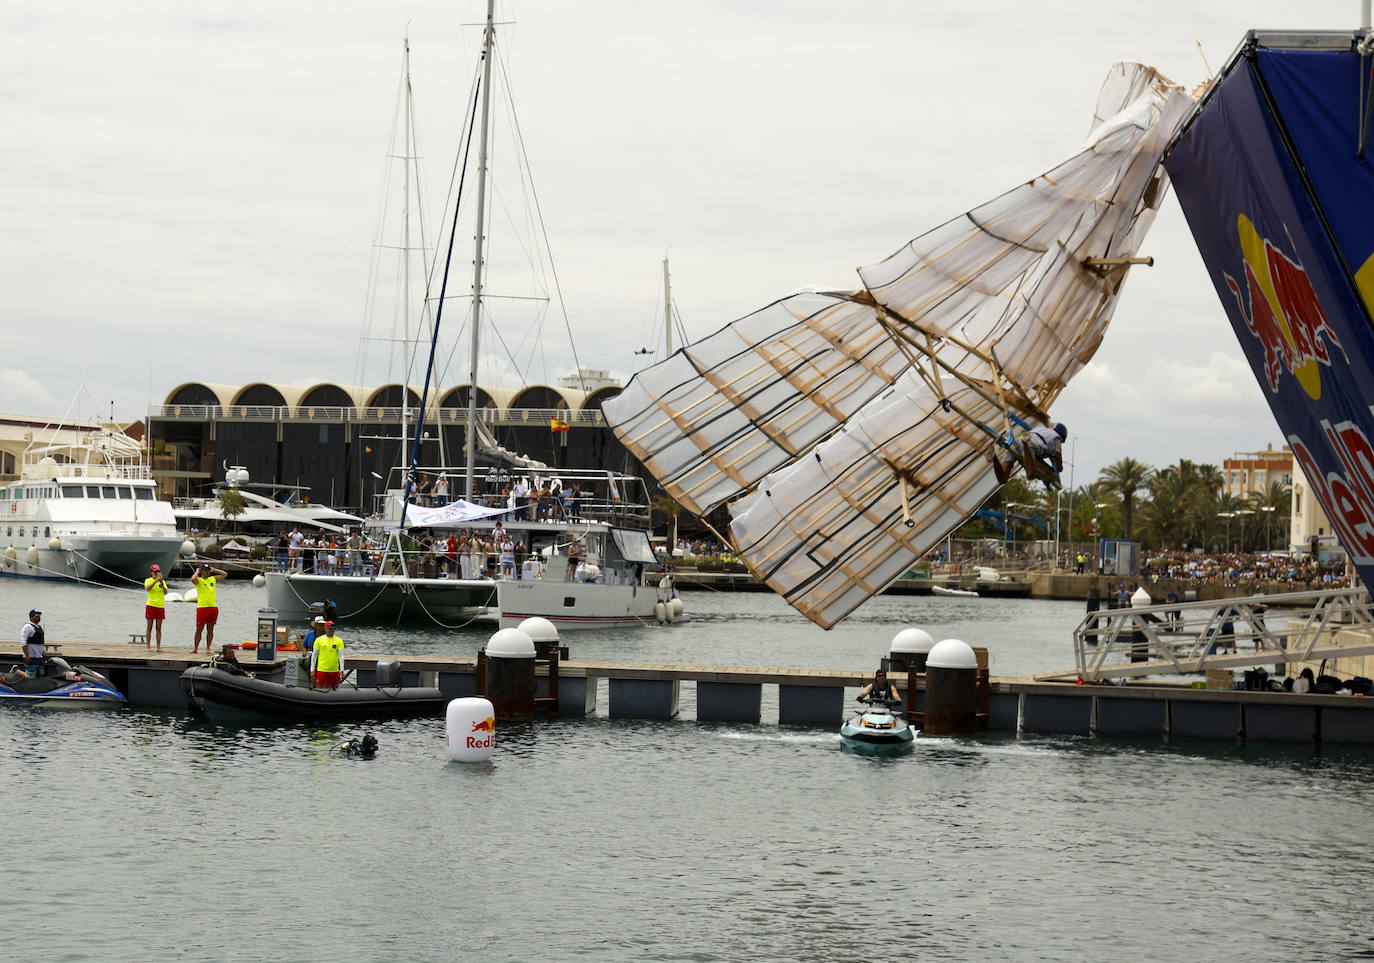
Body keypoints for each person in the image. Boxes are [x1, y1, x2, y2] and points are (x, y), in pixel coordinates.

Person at [191, 562, 228, 654]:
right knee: (199, 629)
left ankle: (208, 648)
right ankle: (195, 648)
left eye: (208, 570)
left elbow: (224, 574)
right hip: (202, 608)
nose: (207, 572)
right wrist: (197, 572)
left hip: (213, 608)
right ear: (201, 571)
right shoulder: (199, 580)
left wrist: (214, 569)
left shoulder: (213, 579)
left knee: (210, 629)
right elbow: (192, 579)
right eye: (205, 570)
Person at [311, 621, 345, 688]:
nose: (332, 629)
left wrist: (342, 670)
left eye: (333, 627)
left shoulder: (339, 641)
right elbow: (314, 656)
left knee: (333, 688)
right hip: (322, 670)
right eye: (330, 627)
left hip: (334, 670)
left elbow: (341, 656)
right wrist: (312, 670)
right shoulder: (318, 640)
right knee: (319, 687)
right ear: (325, 628)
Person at [144, 563, 167, 651]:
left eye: (157, 571)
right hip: (151, 605)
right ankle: (148, 646)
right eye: (154, 572)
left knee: (158, 628)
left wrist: (161, 582)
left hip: (160, 606)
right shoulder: (148, 580)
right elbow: (148, 588)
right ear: (151, 572)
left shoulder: (162, 581)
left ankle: (158, 647)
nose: (156, 573)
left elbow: (165, 592)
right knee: (149, 627)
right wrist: (156, 580)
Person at [20, 609, 44, 674]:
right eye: (36, 616)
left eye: (39, 616)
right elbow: (23, 642)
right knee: (30, 676)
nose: (38, 617)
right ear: (31, 617)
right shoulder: (27, 627)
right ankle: (16, 671)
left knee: (40, 675)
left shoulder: (39, 627)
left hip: (39, 657)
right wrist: (27, 656)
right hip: (31, 657)